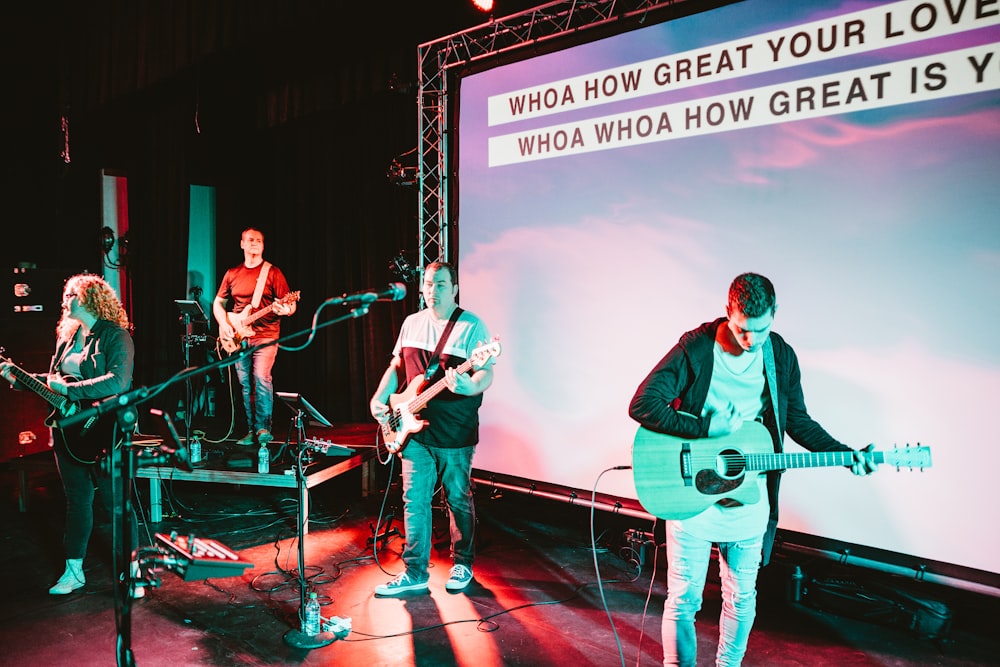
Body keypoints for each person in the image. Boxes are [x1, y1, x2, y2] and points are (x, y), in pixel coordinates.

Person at [628, 272, 878, 667]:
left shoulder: (779, 356)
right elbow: (643, 404)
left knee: (742, 598)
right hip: (694, 497)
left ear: (775, 314)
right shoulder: (696, 349)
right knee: (683, 598)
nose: (751, 341)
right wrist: (706, 428)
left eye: (760, 331)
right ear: (729, 312)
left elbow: (798, 421)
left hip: (748, 503)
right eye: (743, 330)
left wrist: (847, 455)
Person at [0, 273, 142, 597]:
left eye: (70, 295)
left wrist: (72, 389)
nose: (65, 301)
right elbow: (54, 383)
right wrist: (18, 376)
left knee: (117, 503)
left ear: (90, 299)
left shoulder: (116, 336)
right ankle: (74, 571)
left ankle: (133, 571)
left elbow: (118, 383)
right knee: (77, 502)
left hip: (107, 431)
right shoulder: (67, 338)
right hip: (68, 434)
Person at [369, 261, 495, 596]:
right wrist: (380, 398)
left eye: (440, 284)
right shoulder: (411, 323)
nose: (431, 291)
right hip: (413, 430)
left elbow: (486, 372)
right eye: (427, 284)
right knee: (414, 499)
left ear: (454, 288)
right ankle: (414, 571)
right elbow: (397, 366)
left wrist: (470, 386)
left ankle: (463, 562)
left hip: (455, 431)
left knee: (457, 497)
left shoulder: (472, 326)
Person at [213, 227, 297, 447]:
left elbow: (291, 304)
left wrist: (284, 310)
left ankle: (263, 428)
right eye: (250, 240)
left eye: (259, 240)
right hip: (239, 335)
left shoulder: (272, 272)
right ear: (241, 244)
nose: (254, 243)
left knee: (261, 377)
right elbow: (218, 303)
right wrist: (225, 323)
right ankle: (251, 429)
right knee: (245, 384)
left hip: (266, 335)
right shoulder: (232, 273)